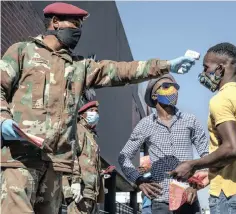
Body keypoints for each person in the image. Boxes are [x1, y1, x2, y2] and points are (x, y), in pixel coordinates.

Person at [0, 2, 196, 213]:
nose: (77, 31)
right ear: (55, 22)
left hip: (56, 165)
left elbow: (122, 71)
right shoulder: (22, 52)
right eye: (73, 24)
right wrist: (3, 118)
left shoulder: (78, 67)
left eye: (80, 26)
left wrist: (166, 66)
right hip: (20, 158)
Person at [169, 42, 236, 214]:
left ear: (220, 69)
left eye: (206, 67)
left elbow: (233, 149)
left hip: (230, 195)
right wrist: (210, 172)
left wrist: (193, 164)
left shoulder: (220, 100)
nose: (203, 73)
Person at [118, 74, 208, 214]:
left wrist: (196, 185)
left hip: (188, 199)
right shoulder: (145, 125)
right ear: (154, 95)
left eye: (175, 87)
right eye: (166, 86)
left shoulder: (191, 121)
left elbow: (206, 155)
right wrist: (139, 181)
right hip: (160, 202)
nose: (173, 90)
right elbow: (124, 156)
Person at [62, 92, 103, 214]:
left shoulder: (90, 135)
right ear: (82, 114)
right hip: (80, 192)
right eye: (92, 111)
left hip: (90, 193)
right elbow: (73, 155)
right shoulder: (79, 130)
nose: (95, 114)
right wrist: (75, 182)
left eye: (97, 111)